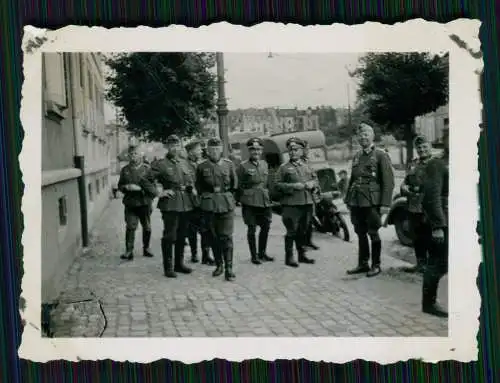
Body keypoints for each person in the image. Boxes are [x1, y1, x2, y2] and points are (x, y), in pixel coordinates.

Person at [345, 123, 395, 277]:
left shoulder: (380, 155)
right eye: (360, 135)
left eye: (366, 134)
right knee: (360, 232)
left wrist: (385, 204)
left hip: (372, 201)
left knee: (373, 232)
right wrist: (348, 199)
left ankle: (376, 265)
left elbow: (388, 182)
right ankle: (363, 263)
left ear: (372, 137)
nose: (363, 137)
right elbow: (353, 179)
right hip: (357, 201)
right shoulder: (357, 156)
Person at [144, 134, 195, 278]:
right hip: (170, 203)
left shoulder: (184, 162)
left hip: (186, 202)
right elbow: (146, 180)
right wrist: (158, 192)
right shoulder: (161, 164)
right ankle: (168, 267)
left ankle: (179, 264)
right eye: (172, 145)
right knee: (169, 236)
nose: (175, 148)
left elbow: (190, 179)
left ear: (180, 146)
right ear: (167, 147)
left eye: (177, 145)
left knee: (182, 235)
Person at [195, 137, 238, 281]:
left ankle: (229, 268)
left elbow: (234, 185)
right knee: (213, 237)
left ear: (221, 149)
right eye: (211, 149)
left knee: (226, 237)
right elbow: (199, 187)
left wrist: (229, 199)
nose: (214, 151)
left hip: (225, 203)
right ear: (207, 150)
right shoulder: (201, 167)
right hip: (209, 205)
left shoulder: (229, 165)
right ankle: (219, 265)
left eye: (216, 148)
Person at [274, 137, 318, 267]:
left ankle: (302, 255)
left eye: (296, 149)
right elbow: (276, 185)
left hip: (306, 203)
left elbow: (316, 180)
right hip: (291, 205)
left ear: (301, 151)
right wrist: (293, 186)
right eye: (290, 150)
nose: (293, 152)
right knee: (291, 231)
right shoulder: (284, 168)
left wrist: (312, 184)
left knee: (303, 231)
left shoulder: (307, 166)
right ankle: (289, 257)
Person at [420, 132, 449, 318]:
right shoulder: (437, 163)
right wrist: (437, 225)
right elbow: (431, 197)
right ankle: (429, 303)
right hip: (443, 220)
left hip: (454, 217)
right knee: (438, 262)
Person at [236, 137, 274, 265]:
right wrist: (241, 199)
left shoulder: (264, 164)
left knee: (266, 227)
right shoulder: (243, 166)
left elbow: (267, 183)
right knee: (251, 229)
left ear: (261, 150)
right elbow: (238, 185)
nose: (256, 152)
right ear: (249, 151)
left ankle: (262, 253)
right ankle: (254, 255)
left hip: (264, 200)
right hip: (250, 202)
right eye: (253, 150)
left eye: (258, 149)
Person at [400, 135, 434, 273]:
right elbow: (406, 181)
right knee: (417, 237)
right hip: (414, 207)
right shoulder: (413, 164)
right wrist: (403, 187)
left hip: (430, 208)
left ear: (430, 147)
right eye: (419, 147)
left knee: (431, 238)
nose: (422, 150)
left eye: (425, 146)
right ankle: (420, 264)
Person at [117, 145, 156, 261]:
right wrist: (126, 187)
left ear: (141, 155)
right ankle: (129, 251)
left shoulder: (147, 169)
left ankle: (146, 248)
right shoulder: (125, 170)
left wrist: (140, 189)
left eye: (135, 154)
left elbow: (153, 188)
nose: (133, 156)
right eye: (131, 154)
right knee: (130, 226)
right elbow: (120, 185)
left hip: (144, 203)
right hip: (130, 203)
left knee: (147, 227)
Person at [185, 139, 215, 266]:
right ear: (191, 152)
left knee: (206, 229)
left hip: (204, 202)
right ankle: (194, 253)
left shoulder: (204, 164)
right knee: (191, 230)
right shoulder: (184, 165)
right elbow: (185, 182)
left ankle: (206, 255)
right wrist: (191, 188)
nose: (200, 151)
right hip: (190, 202)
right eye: (197, 149)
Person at [301, 140, 320, 250]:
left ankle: (308, 241)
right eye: (305, 149)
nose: (307, 151)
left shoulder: (308, 161)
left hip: (310, 194)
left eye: (308, 149)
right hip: (302, 194)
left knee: (310, 219)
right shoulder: (297, 162)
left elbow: (314, 175)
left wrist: (316, 188)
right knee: (302, 221)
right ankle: (302, 243)